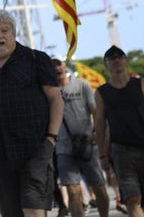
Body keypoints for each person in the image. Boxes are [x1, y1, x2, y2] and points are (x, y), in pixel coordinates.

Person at [0, 9, 63, 217]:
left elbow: (56, 99)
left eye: (4, 31)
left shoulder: (36, 59)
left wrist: (51, 139)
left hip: (35, 149)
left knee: (33, 210)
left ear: (13, 33)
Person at [93, 46, 144, 217]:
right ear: (106, 64)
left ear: (126, 61)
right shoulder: (102, 92)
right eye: (111, 59)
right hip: (121, 150)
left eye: (119, 57)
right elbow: (100, 124)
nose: (116, 60)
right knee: (132, 198)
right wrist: (102, 155)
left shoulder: (142, 84)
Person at [52, 59, 111, 217]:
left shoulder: (82, 85)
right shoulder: (49, 91)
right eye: (52, 65)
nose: (56, 67)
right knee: (72, 190)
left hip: (87, 145)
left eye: (59, 64)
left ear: (65, 66)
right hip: (64, 148)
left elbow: (95, 111)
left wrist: (97, 133)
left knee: (99, 188)